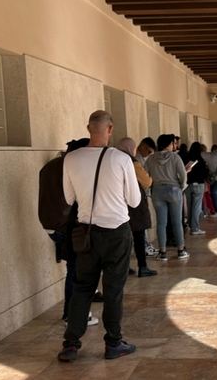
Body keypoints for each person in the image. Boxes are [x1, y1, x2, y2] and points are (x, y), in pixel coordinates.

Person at [57, 110, 141, 362]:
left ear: (88, 128)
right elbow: (134, 200)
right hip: (116, 232)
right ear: (110, 129)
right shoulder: (121, 159)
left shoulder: (71, 159)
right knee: (113, 290)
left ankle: (71, 344)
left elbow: (68, 198)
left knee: (83, 287)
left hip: (87, 233)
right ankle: (113, 343)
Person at [38, 137, 99, 326]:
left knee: (74, 268)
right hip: (68, 225)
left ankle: (74, 312)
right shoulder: (73, 168)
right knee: (76, 270)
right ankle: (72, 315)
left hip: (50, 223)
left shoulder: (50, 166)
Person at [116, 137, 157, 278]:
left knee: (123, 238)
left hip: (118, 203)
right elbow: (146, 182)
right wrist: (150, 177)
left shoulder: (112, 160)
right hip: (134, 205)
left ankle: (124, 267)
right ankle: (142, 267)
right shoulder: (132, 162)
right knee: (138, 236)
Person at [145, 134, 190, 261]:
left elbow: (145, 174)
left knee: (161, 223)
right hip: (174, 190)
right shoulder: (175, 157)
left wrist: (149, 189)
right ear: (168, 144)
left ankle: (162, 252)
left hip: (157, 191)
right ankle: (180, 250)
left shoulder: (151, 158)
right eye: (172, 143)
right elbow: (183, 174)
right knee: (177, 222)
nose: (174, 146)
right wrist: (181, 187)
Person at [135, 137, 159, 257]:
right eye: (149, 151)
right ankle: (144, 247)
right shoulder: (137, 159)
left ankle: (146, 245)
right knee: (141, 225)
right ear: (143, 146)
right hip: (139, 195)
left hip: (141, 194)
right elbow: (146, 180)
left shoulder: (141, 159)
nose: (149, 154)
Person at [185, 142, 209, 235]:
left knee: (189, 206)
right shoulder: (201, 160)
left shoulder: (187, 159)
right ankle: (195, 228)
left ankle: (190, 225)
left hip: (188, 185)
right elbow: (205, 173)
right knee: (196, 207)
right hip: (198, 185)